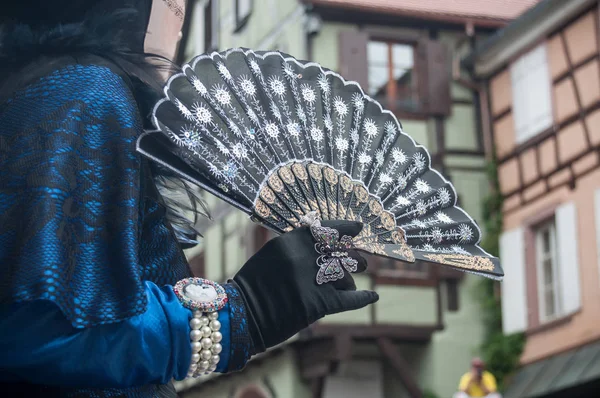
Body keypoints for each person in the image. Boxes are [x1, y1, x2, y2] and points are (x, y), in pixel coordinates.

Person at [0, 1, 379, 396]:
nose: (179, 29)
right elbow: (47, 326)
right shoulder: (86, 91)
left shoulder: (40, 87)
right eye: (172, 5)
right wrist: (245, 310)